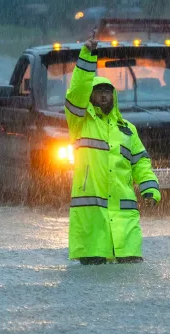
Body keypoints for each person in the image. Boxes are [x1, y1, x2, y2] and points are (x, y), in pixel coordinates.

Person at [64, 35, 161, 265]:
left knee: (131, 286)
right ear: (90, 96)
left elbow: (141, 162)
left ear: (114, 96)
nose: (104, 95)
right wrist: (87, 56)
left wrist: (150, 188)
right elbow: (76, 92)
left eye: (108, 91)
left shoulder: (127, 130)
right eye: (99, 91)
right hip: (92, 228)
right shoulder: (80, 123)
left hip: (125, 226)